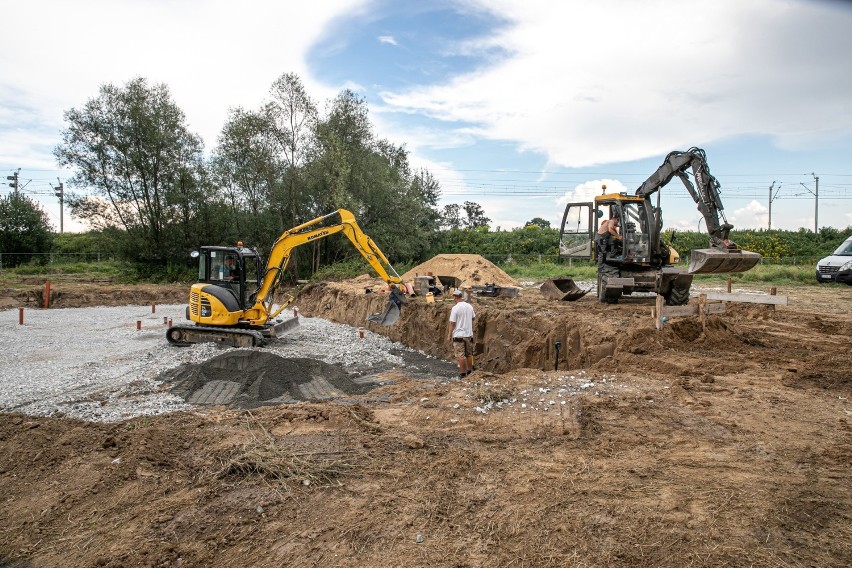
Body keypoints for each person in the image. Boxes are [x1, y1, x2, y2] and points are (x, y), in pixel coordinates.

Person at [447, 289, 476, 378]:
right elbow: (473, 318)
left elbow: (452, 323)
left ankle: (463, 374)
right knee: (469, 354)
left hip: (458, 335)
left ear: (455, 297)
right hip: (468, 335)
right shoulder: (469, 306)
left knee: (461, 355)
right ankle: (470, 372)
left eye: (454, 297)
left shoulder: (455, 308)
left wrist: (449, 335)